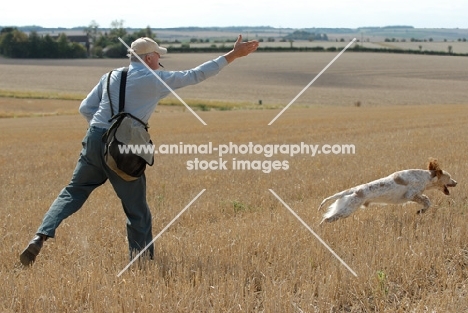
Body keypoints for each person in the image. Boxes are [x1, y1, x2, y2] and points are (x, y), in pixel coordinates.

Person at [20, 35, 259, 266]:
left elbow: (85, 108)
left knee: (73, 191)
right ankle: (141, 263)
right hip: (124, 147)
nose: (159, 60)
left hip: (93, 138)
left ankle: (41, 235)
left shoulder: (110, 76)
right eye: (158, 56)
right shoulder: (154, 80)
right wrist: (233, 55)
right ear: (148, 59)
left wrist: (104, 133)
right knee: (137, 211)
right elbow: (195, 75)